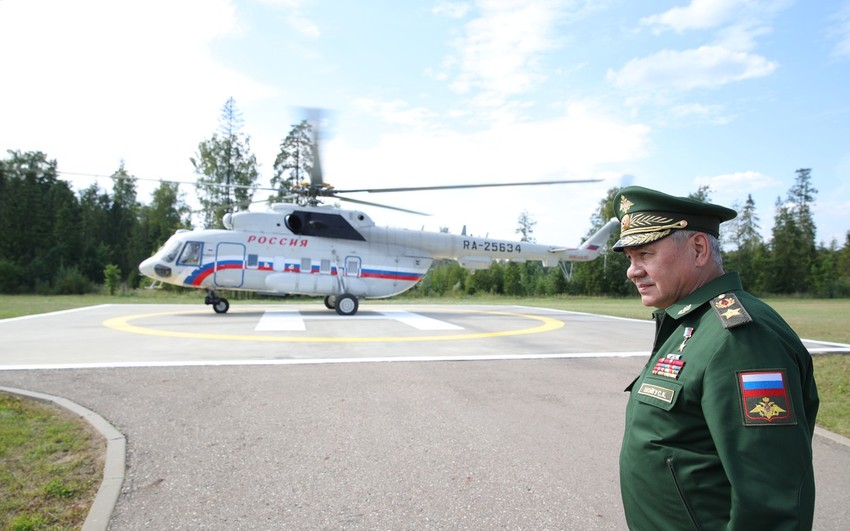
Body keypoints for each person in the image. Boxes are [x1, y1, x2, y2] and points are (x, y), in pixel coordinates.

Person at [613, 185, 819, 530]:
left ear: (698, 249)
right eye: (630, 259)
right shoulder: (692, 323)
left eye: (645, 254)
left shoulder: (741, 338)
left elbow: (771, 500)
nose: (633, 271)